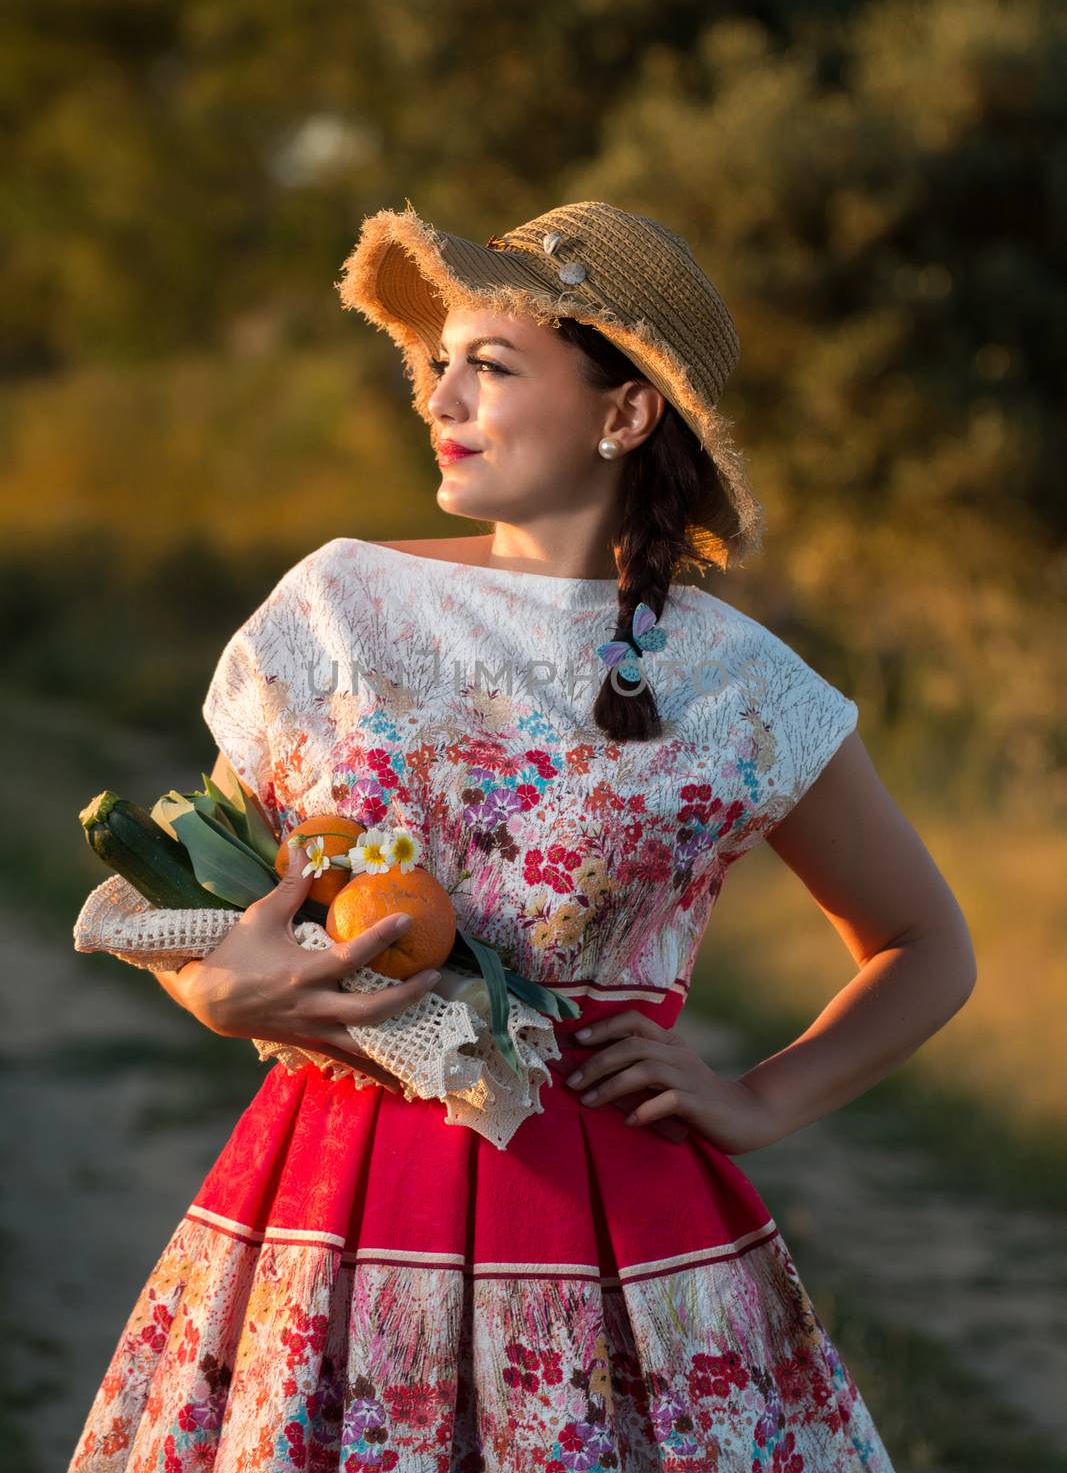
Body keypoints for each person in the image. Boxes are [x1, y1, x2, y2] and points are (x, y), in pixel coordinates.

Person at [68, 200, 977, 1471]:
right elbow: (216, 894)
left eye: (487, 365)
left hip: (622, 1255)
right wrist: (212, 989)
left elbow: (925, 942)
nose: (439, 397)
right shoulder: (337, 609)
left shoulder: (740, 688)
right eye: (439, 363)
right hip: (327, 1223)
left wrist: (761, 1098)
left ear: (625, 413)